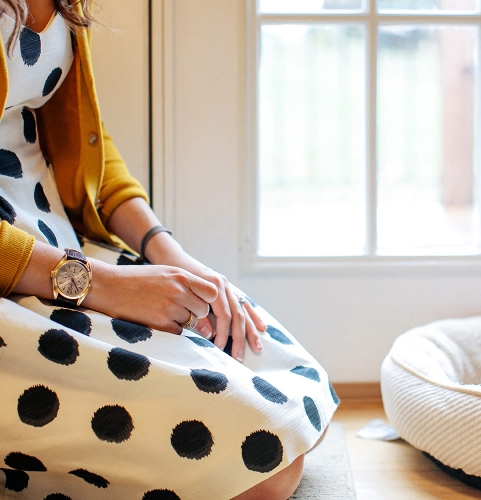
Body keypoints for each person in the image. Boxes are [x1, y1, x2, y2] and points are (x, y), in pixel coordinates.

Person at [0, 1, 338, 499]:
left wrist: (171, 256)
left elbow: (85, 139)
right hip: (24, 277)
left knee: (299, 399)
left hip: (61, 243)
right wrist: (102, 286)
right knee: (267, 466)